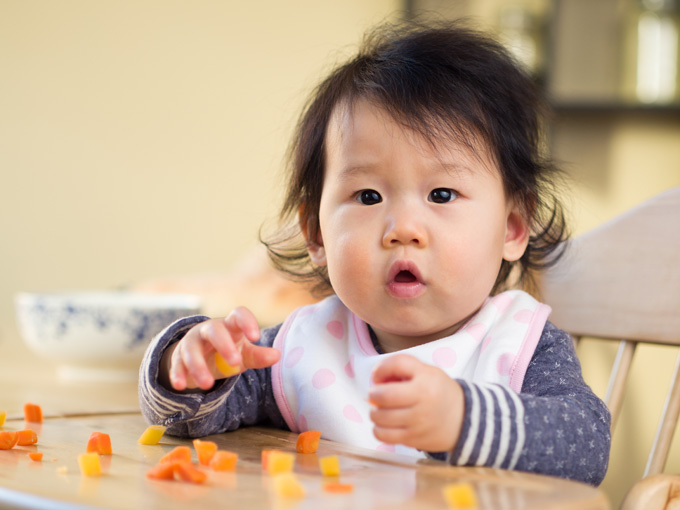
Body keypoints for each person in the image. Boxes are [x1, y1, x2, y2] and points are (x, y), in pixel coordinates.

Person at [139, 20, 610, 485]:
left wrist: (463, 419)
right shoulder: (305, 347)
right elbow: (183, 421)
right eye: (368, 197)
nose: (403, 229)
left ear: (512, 226)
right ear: (316, 233)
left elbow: (586, 448)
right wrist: (190, 366)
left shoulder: (519, 344)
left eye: (442, 195)